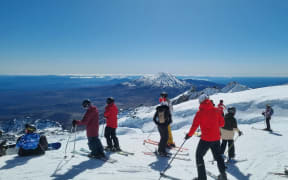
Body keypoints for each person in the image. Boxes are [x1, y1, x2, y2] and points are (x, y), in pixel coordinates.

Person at [185, 94, 227, 180]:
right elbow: (222, 124)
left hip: (206, 139)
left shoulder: (199, 113)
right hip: (216, 138)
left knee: (199, 156)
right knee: (218, 157)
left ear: (200, 102)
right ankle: (223, 176)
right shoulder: (217, 110)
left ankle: (202, 178)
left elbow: (194, 126)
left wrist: (189, 135)